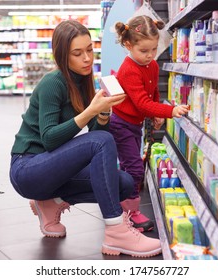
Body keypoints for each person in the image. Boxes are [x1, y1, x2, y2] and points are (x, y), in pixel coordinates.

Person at [9, 20, 162, 258]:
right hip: (28, 169)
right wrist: (90, 112)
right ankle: (116, 232)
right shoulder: (52, 83)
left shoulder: (86, 81)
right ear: (63, 56)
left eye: (90, 50)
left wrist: (103, 114)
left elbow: (95, 131)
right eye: (78, 53)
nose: (87, 58)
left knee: (124, 183)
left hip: (53, 169)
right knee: (101, 141)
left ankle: (51, 202)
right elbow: (49, 139)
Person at [109, 16, 190, 232]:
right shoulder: (128, 70)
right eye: (144, 50)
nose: (150, 55)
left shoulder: (151, 64)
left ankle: (120, 207)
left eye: (154, 49)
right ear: (128, 45)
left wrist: (157, 114)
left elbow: (152, 91)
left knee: (129, 166)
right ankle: (131, 212)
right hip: (121, 124)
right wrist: (169, 110)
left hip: (134, 124)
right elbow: (143, 103)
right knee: (135, 170)